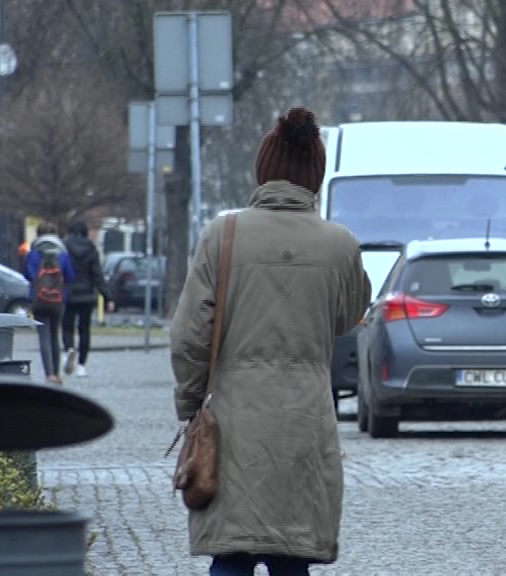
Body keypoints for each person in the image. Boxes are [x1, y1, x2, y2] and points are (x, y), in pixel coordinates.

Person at [171, 106, 370, 576]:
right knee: (291, 554)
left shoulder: (223, 235)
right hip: (305, 419)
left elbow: (188, 337)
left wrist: (190, 405)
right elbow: (346, 318)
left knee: (232, 554)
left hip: (233, 420)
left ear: (263, 171)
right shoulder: (340, 244)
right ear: (315, 177)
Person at [24, 222, 76, 385]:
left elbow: (27, 274)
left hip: (39, 299)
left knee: (44, 336)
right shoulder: (63, 255)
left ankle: (48, 374)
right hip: (59, 300)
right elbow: (71, 276)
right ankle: (57, 372)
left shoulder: (33, 254)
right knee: (55, 336)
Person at [62, 220, 115, 378]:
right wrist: (108, 297)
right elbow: (97, 275)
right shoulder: (91, 248)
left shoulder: (64, 247)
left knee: (67, 326)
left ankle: (69, 349)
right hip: (87, 295)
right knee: (84, 330)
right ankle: (81, 365)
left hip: (68, 293)